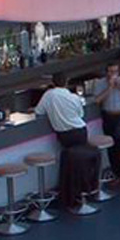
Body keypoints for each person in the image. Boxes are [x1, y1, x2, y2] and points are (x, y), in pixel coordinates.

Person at [34, 72, 94, 210]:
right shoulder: (73, 97)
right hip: (80, 131)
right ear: (66, 82)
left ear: (53, 83)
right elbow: (80, 114)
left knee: (70, 163)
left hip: (65, 136)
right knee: (77, 164)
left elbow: (38, 111)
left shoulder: (48, 95)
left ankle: (70, 197)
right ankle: (79, 195)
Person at [93, 61, 120, 179]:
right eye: (111, 72)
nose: (113, 74)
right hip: (107, 115)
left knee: (118, 135)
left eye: (115, 71)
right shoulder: (100, 84)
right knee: (111, 144)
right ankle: (119, 172)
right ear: (106, 73)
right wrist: (109, 88)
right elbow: (97, 100)